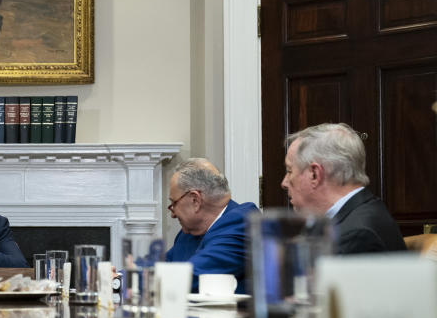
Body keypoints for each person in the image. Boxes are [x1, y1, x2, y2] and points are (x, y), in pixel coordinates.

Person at [282, 123, 405, 254]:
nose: (284, 183)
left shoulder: (356, 235)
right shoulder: (354, 214)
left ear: (315, 174)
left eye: (289, 171)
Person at [165, 158, 259, 293]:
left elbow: (194, 275)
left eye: (174, 203)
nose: (173, 214)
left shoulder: (243, 222)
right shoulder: (189, 232)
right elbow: (160, 265)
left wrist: (137, 281)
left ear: (195, 200)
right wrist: (123, 278)